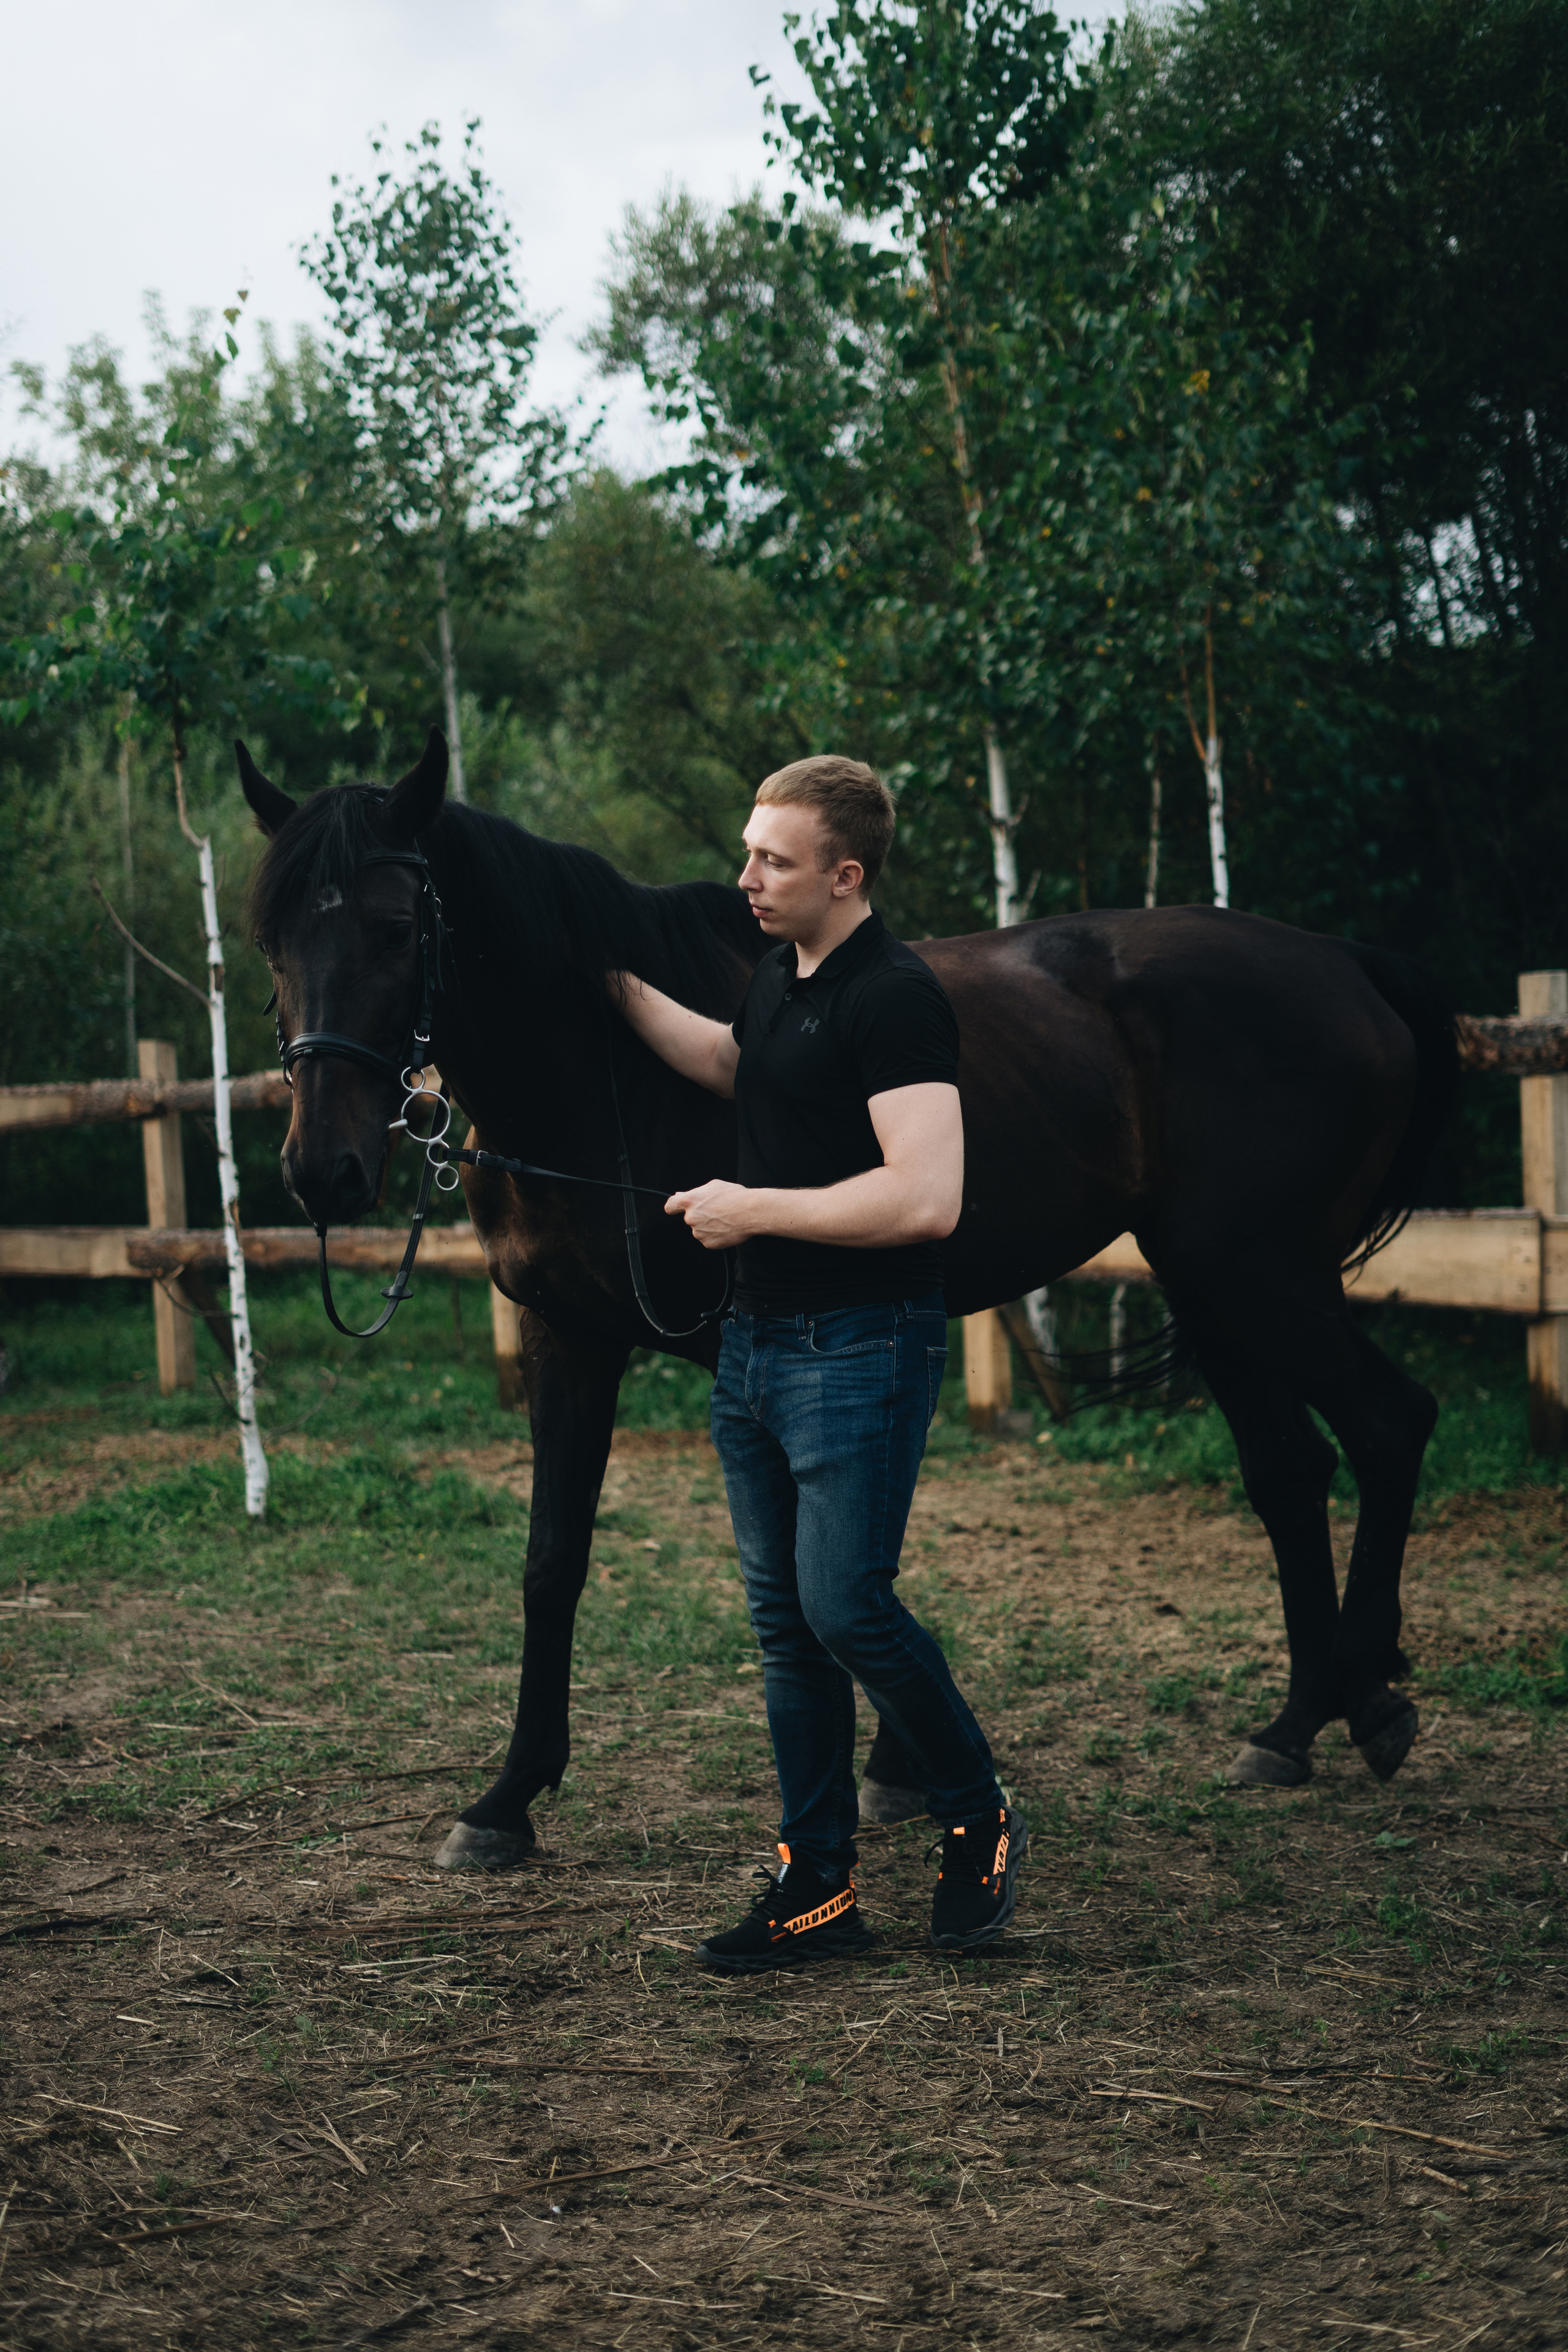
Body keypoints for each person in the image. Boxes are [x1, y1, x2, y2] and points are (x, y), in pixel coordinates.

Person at [611, 754, 1027, 1975]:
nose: (744, 877)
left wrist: (755, 1210)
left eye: (772, 861)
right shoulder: (776, 977)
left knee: (846, 1606)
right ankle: (815, 1889)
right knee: (787, 1627)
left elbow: (926, 1196)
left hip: (859, 1347)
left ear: (843, 876)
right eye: (748, 852)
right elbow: (738, 1065)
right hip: (753, 1351)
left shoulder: (893, 997)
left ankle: (974, 1811)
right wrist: (609, 982)